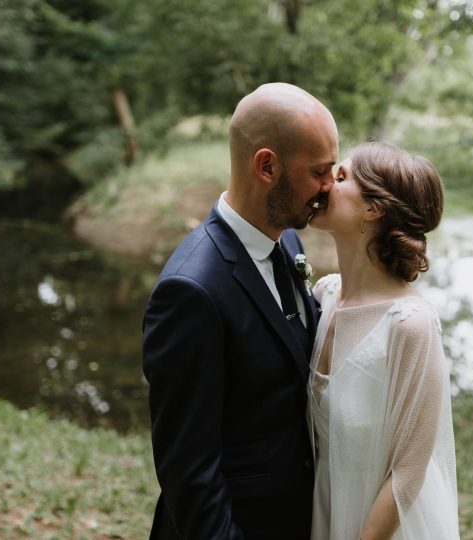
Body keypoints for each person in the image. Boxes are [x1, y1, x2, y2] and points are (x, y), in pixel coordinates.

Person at [142, 82, 339, 539]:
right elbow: (190, 473)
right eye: (320, 172)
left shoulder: (287, 240)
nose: (330, 187)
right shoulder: (189, 292)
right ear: (266, 166)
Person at [307, 141, 460, 539]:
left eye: (340, 177)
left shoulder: (410, 324)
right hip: (324, 507)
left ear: (373, 209)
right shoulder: (323, 296)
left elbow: (409, 472)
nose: (324, 185)